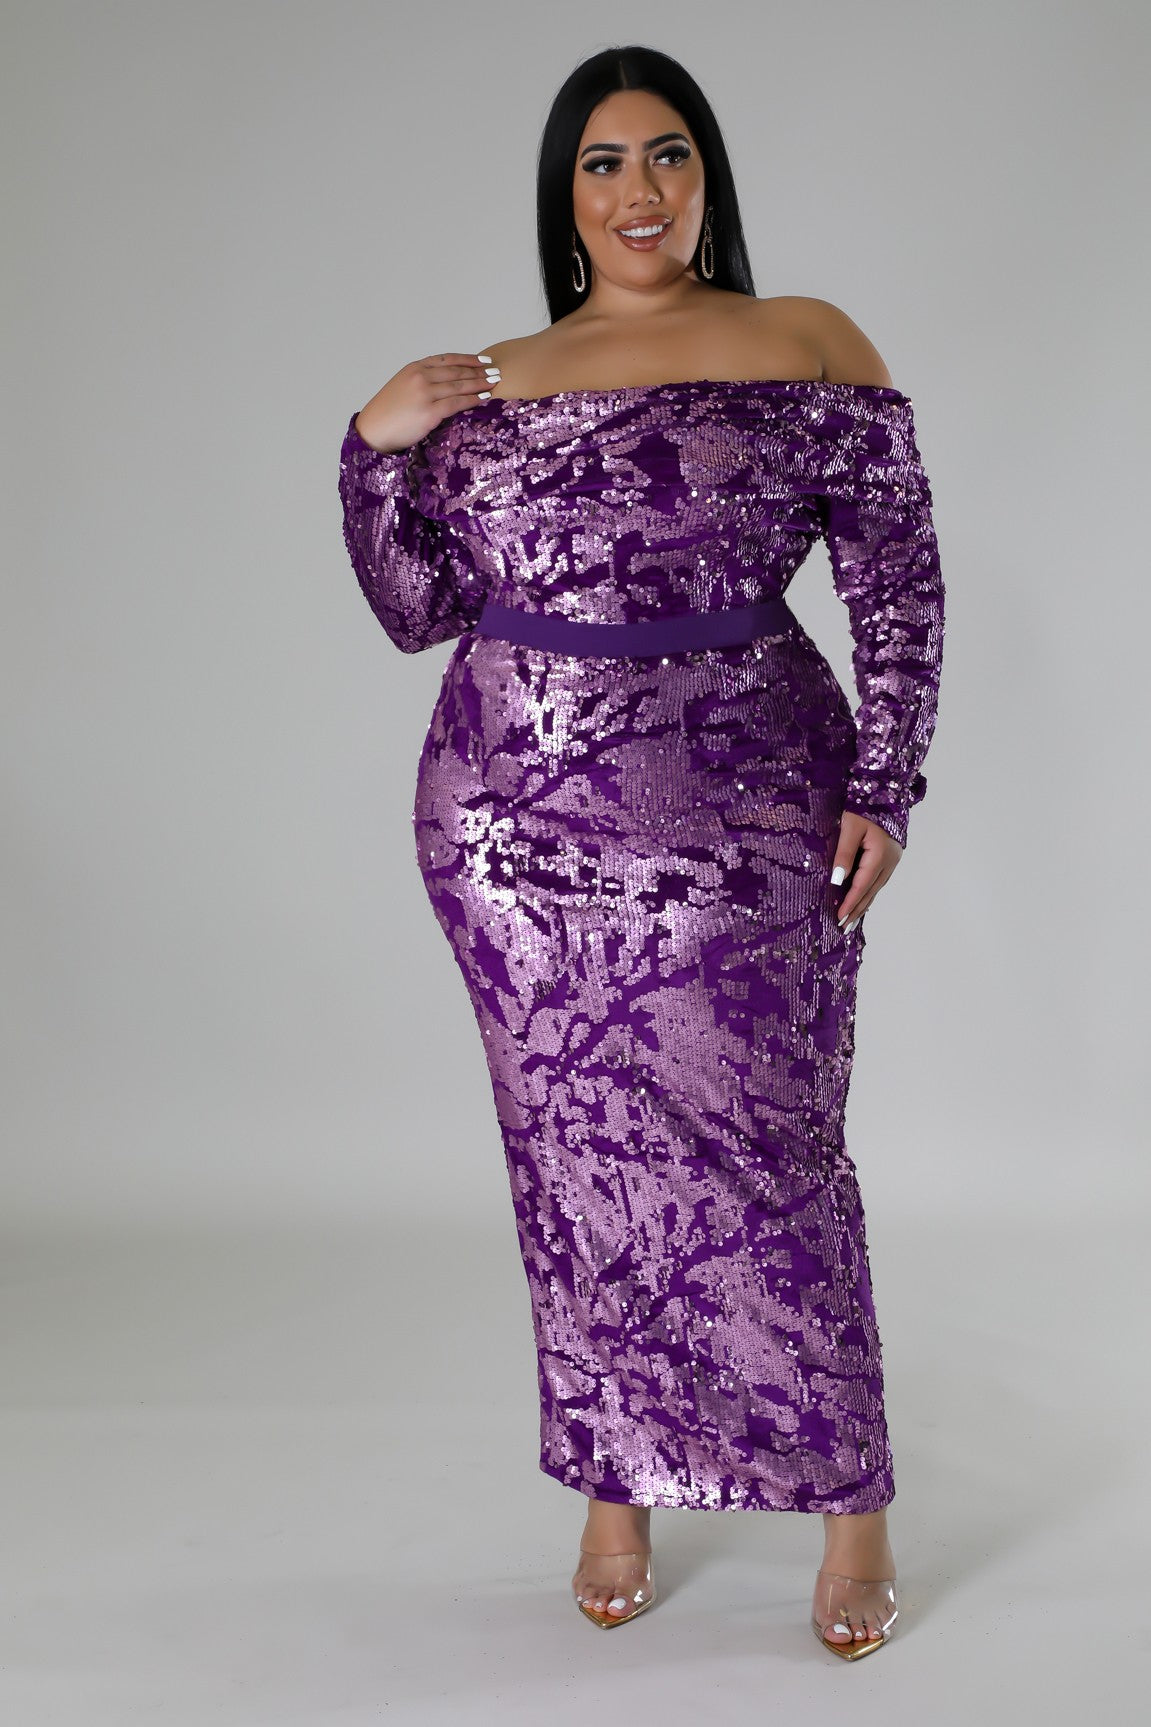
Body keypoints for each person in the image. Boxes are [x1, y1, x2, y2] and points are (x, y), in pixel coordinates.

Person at [337, 44, 945, 1661]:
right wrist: (372, 443)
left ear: (707, 175)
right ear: (566, 197)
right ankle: (616, 1486)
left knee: (777, 1146)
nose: (638, 190)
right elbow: (416, 609)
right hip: (513, 823)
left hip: (751, 798)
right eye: (602, 164)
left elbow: (896, 581)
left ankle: (853, 1498)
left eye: (667, 154)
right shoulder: (489, 380)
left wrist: (887, 780)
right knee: (575, 1155)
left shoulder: (808, 341)